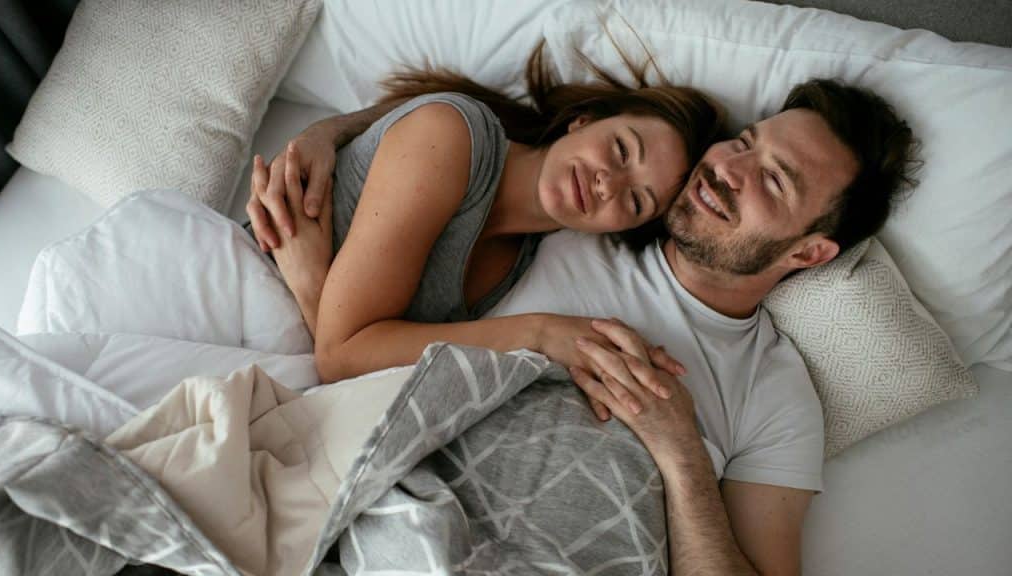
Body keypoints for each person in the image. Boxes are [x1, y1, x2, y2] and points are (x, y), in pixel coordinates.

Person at [251, 76, 917, 575]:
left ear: (808, 253)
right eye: (744, 143)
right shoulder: (578, 214)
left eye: (772, 181)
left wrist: (681, 454)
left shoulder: (777, 394)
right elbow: (455, 136)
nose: (727, 170)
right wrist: (327, 135)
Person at [248, 45, 724, 385]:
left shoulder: (517, 262)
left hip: (270, 353)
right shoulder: (453, 134)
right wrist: (537, 332)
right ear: (585, 119)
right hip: (231, 282)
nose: (608, 183)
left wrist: (313, 285)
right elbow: (340, 359)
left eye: (637, 201)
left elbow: (356, 363)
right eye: (621, 149)